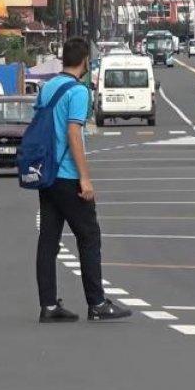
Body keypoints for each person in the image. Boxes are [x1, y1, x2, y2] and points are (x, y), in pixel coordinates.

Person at [36, 37, 132, 323]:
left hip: (47, 175)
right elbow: (74, 134)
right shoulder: (78, 92)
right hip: (67, 175)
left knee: (48, 241)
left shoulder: (47, 88)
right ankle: (97, 303)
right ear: (85, 62)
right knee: (89, 236)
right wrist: (85, 179)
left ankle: (49, 305)